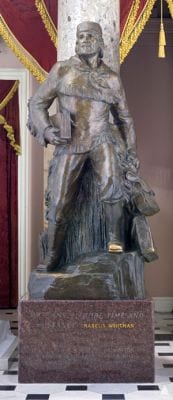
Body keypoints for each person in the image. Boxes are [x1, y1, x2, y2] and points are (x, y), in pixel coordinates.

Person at [28, 21, 140, 271]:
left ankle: (115, 240)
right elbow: (37, 103)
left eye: (90, 35)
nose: (84, 39)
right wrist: (47, 129)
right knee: (59, 200)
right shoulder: (62, 70)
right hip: (71, 143)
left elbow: (124, 118)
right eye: (80, 36)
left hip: (103, 139)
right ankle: (53, 255)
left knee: (113, 189)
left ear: (100, 42)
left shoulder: (111, 78)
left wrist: (131, 151)